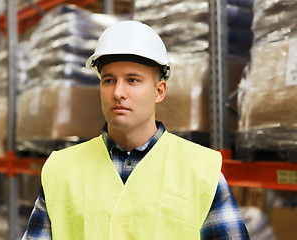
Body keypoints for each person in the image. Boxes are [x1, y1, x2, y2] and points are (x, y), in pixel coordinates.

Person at [22, 20, 249, 239]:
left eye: (132, 80)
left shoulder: (201, 170)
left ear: (159, 91)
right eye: (108, 80)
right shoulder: (60, 169)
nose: (118, 92)